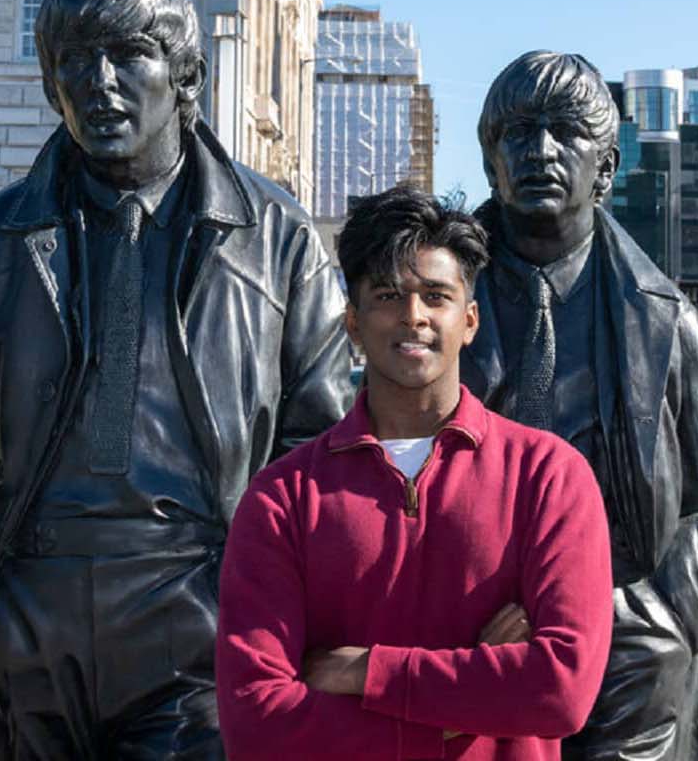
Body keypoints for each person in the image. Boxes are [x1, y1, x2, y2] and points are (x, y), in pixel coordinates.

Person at [0, 0, 351, 759]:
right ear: (50, 84)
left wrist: (261, 604)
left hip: (198, 609)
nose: (99, 82)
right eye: (75, 60)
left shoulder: (278, 240)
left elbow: (316, 446)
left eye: (127, 55)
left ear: (185, 77)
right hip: (22, 602)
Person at [217, 185, 613, 759]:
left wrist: (368, 674)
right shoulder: (283, 497)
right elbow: (254, 721)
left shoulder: (548, 477)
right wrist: (473, 703)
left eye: (435, 295)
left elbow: (561, 692)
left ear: (470, 319)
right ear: (352, 322)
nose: (414, 316)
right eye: (387, 295)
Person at [463, 52, 698, 761]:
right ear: (491, 161)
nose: (540, 152)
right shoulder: (436, 301)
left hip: (628, 643)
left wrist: (664, 617)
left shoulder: (667, 320)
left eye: (564, 132)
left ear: (608, 167)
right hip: (465, 639)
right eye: (518, 135)